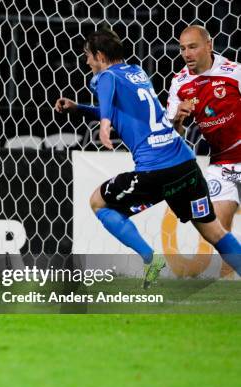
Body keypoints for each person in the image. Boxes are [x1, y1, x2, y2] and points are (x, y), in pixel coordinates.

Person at [54, 28, 241, 287]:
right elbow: (124, 111)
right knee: (214, 231)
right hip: (185, 164)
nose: (86, 62)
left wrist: (105, 122)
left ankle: (150, 258)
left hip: (155, 170)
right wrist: (79, 109)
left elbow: (107, 91)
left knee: (98, 202)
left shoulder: (106, 76)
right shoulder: (138, 73)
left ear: (99, 55)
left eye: (88, 56)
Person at [166, 25, 240, 235]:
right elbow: (174, 135)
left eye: (192, 47)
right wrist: (177, 119)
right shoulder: (179, 83)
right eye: (182, 49)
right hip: (221, 162)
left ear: (209, 45)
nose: (186, 54)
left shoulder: (234, 72)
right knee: (219, 231)